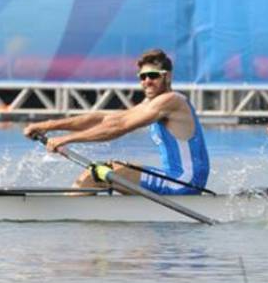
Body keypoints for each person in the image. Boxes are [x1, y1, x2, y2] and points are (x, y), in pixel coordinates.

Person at [24, 49, 209, 194]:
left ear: (166, 76)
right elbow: (107, 119)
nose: (146, 81)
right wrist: (47, 125)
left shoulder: (171, 100)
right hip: (174, 177)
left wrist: (65, 139)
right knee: (112, 167)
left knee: (97, 173)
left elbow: (119, 128)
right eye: (142, 77)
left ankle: (63, 216)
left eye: (153, 75)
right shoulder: (151, 103)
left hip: (184, 183)